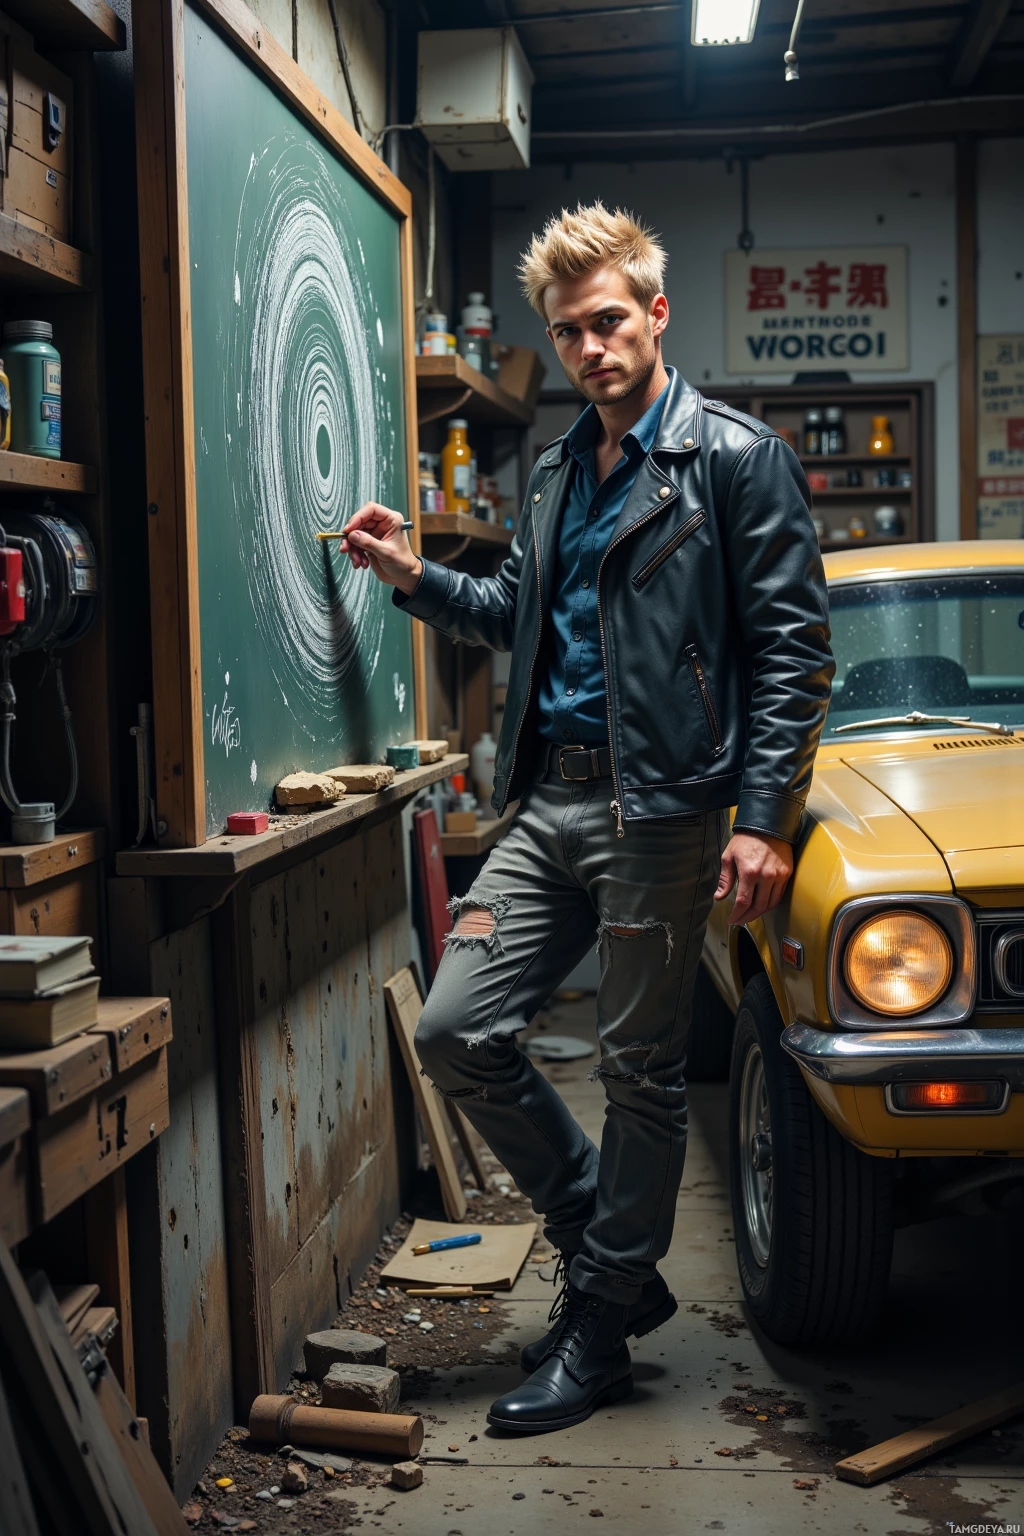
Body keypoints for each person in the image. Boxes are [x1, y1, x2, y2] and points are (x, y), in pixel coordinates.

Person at [340, 201, 834, 1434]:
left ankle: (602, 1329)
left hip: (661, 811)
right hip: (548, 801)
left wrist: (760, 814)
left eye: (607, 321)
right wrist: (412, 579)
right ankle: (606, 1251)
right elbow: (519, 609)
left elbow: (790, 649)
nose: (588, 349)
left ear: (656, 313)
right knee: (457, 1031)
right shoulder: (562, 466)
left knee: (639, 1075)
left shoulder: (731, 456)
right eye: (567, 333)